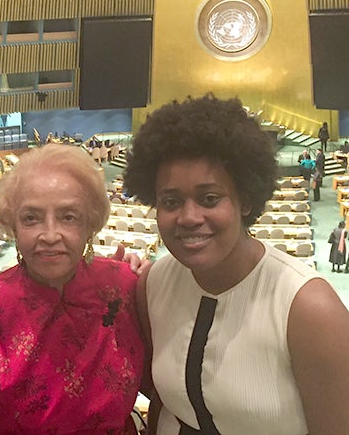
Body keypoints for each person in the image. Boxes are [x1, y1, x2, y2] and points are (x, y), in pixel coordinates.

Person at [125, 94, 349, 434]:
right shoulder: (153, 283)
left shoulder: (308, 308)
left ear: (244, 199)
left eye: (209, 198)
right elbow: (163, 402)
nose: (188, 217)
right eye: (170, 201)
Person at [0, 143, 147, 433]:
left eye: (68, 217)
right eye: (31, 218)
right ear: (12, 226)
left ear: (90, 223)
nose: (50, 235)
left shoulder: (126, 286)